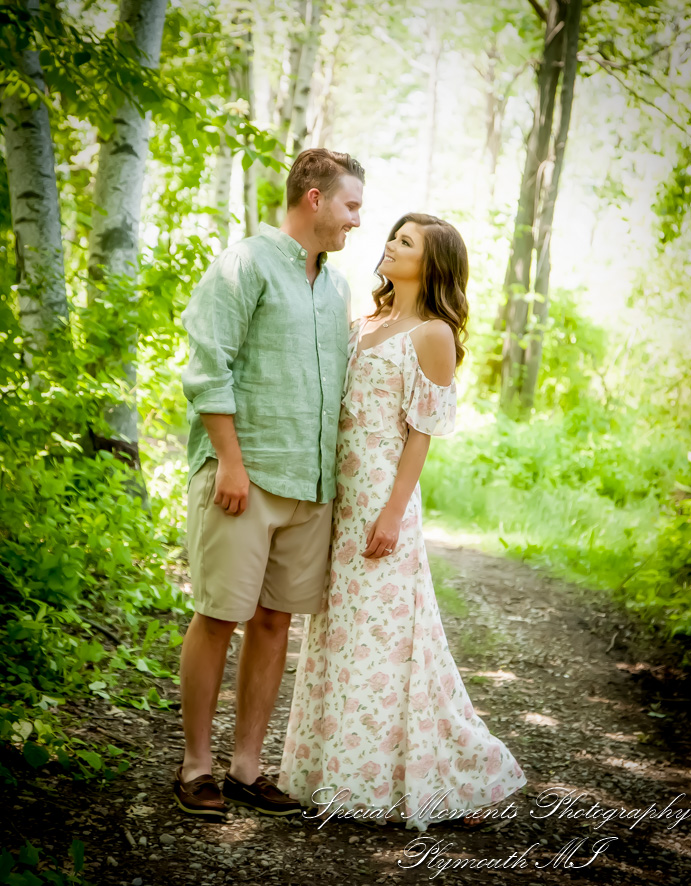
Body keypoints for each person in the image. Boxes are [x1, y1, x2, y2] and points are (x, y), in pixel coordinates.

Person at [278, 213, 527, 830]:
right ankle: (334, 772)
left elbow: (421, 436)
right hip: (338, 499)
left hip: (384, 502)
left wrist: (392, 513)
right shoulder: (363, 322)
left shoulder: (432, 333)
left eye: (405, 241)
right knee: (337, 633)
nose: (389, 244)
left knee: (389, 643)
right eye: (393, 235)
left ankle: (459, 775)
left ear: (432, 263)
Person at [174, 148, 365, 819]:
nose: (357, 222)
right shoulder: (245, 263)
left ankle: (246, 768)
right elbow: (206, 365)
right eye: (351, 206)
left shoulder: (339, 288)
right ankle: (196, 765)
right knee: (220, 614)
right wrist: (229, 459)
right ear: (314, 199)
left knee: (275, 620)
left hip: (309, 486)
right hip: (244, 479)